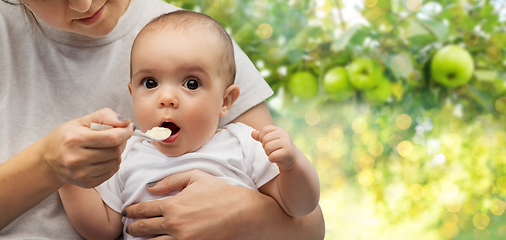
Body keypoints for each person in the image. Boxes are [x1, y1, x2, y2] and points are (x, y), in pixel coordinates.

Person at [0, 0, 325, 239]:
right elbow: (103, 229)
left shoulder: (242, 142)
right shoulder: (127, 157)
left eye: (191, 84)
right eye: (150, 84)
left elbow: (303, 213)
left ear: (225, 101)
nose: (166, 98)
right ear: (130, 93)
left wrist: (292, 165)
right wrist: (65, 178)